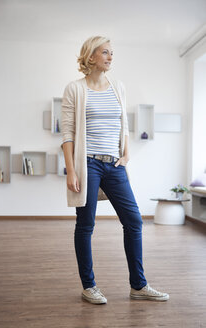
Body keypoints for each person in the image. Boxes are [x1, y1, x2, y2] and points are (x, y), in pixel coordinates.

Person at [61, 36, 169, 304]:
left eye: (112, 53)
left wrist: (127, 153)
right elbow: (68, 133)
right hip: (88, 163)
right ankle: (89, 286)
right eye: (105, 52)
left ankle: (139, 285)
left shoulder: (117, 86)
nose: (110, 57)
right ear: (91, 56)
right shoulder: (75, 89)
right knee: (85, 225)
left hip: (114, 164)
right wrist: (72, 170)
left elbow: (123, 124)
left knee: (133, 221)